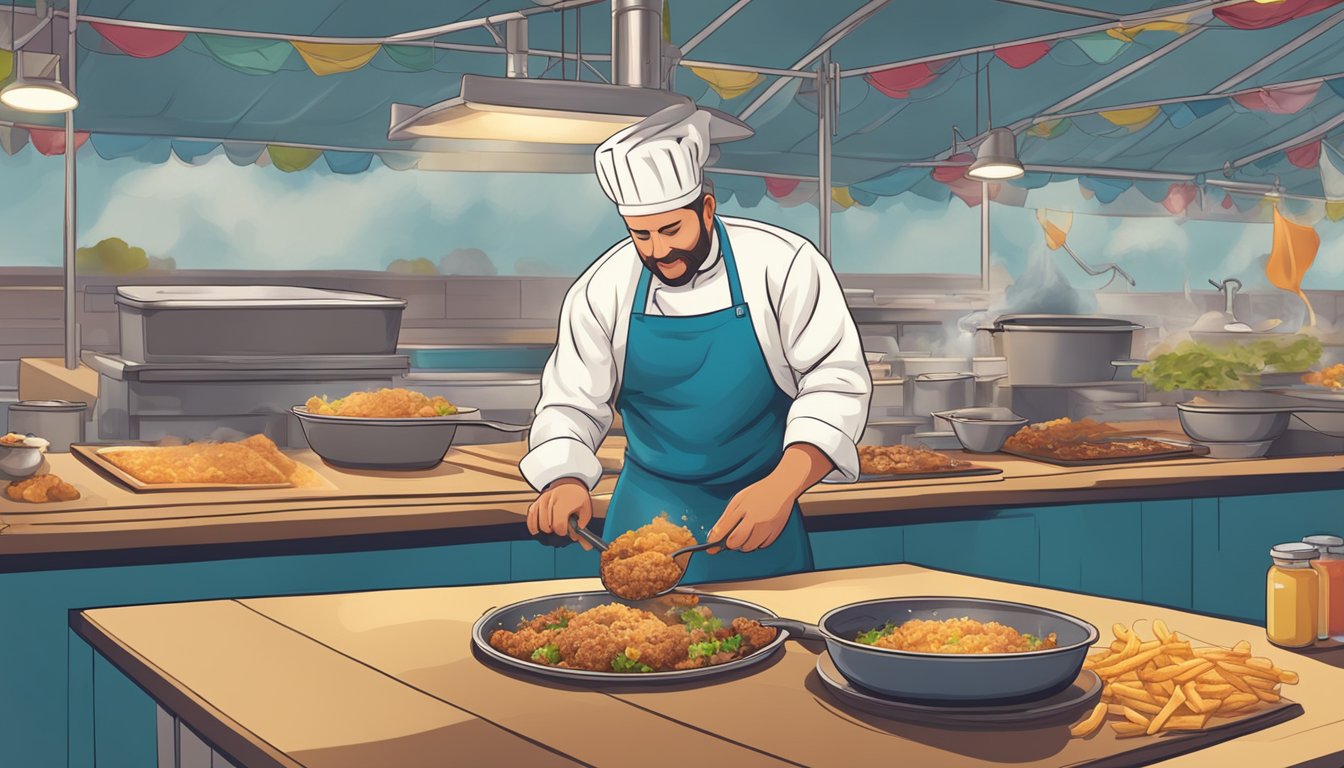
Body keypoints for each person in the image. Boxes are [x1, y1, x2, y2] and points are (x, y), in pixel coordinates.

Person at [521, 103, 870, 582]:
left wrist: (784, 486)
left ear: (706, 209)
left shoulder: (782, 265)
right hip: (648, 510)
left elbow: (835, 383)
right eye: (640, 234)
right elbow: (571, 403)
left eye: (670, 229)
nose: (658, 251)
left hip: (763, 502)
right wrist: (563, 479)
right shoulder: (602, 288)